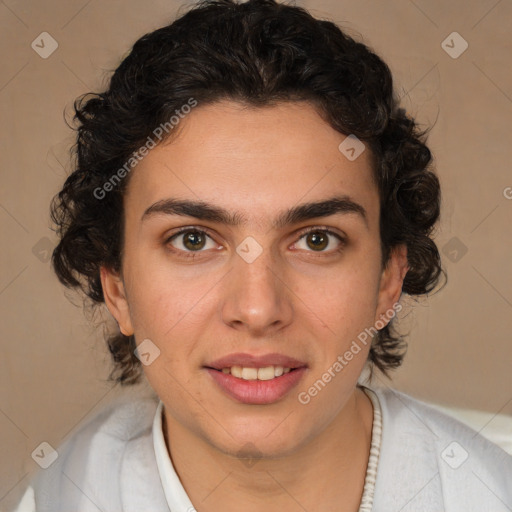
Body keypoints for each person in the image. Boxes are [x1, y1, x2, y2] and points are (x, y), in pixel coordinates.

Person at [16, 0, 512, 510]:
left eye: (317, 240)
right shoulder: (63, 493)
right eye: (193, 240)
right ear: (117, 287)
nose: (257, 310)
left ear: (388, 280)